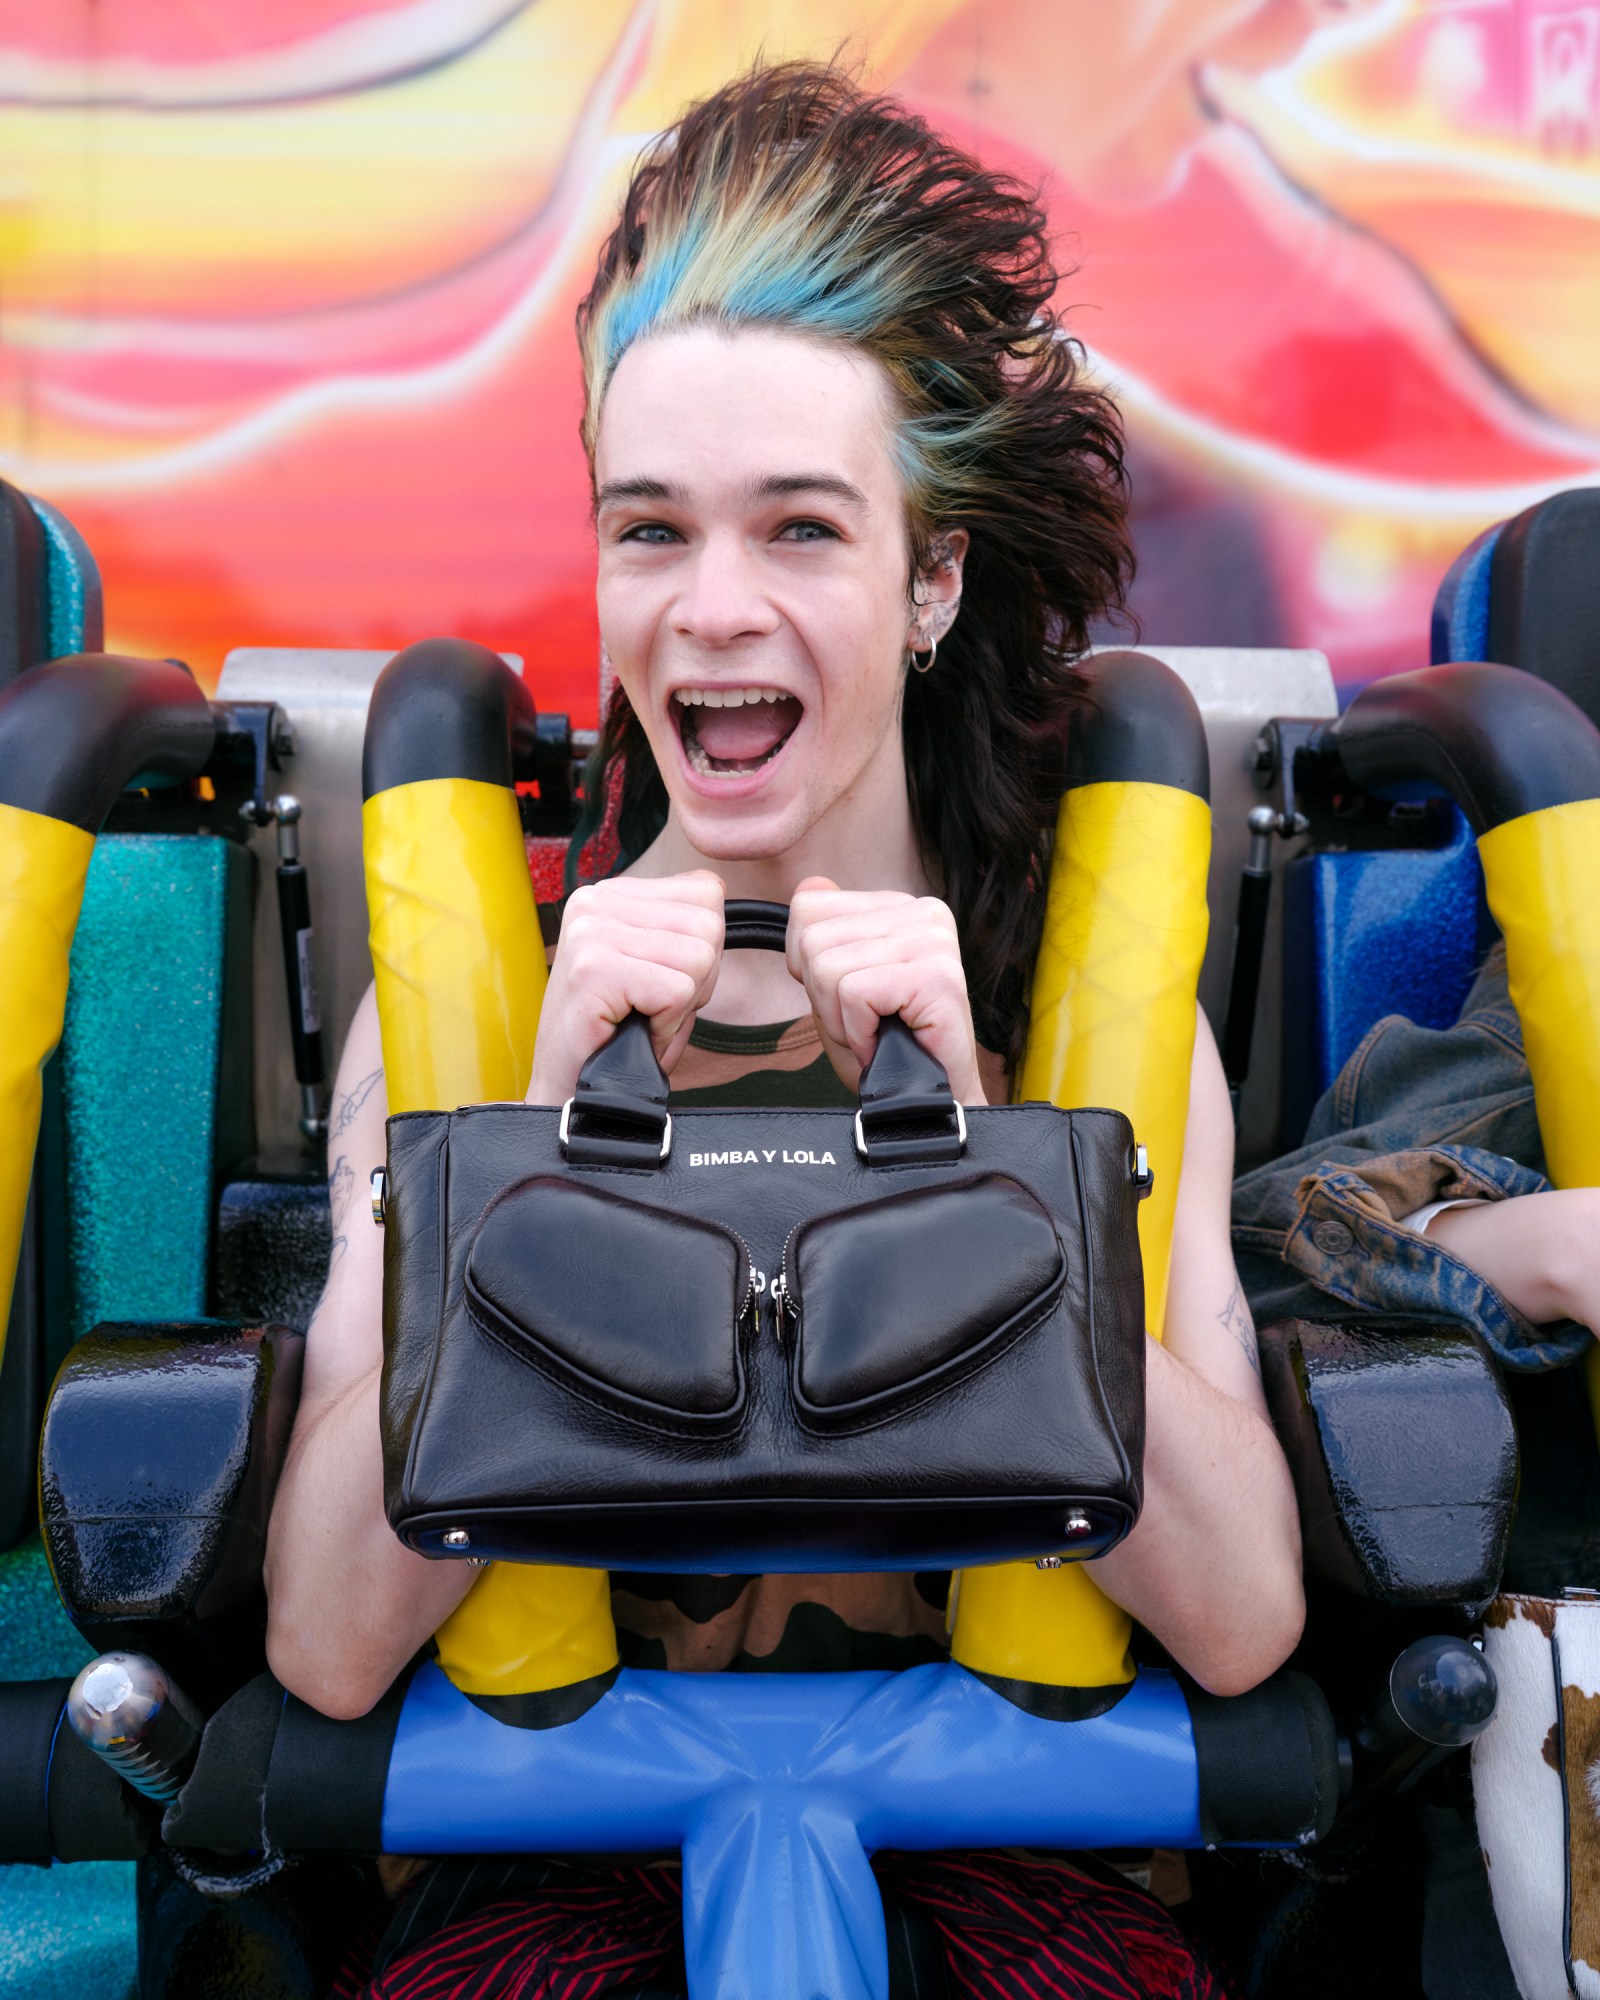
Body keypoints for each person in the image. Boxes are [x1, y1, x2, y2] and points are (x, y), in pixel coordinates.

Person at [266, 61, 1305, 1998]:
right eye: (649, 531)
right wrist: (521, 1161)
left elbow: (1240, 1619)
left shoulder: (1080, 1016)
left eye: (799, 532)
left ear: (928, 578)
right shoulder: (474, 1016)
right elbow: (328, 1641)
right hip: (560, 1866)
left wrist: (1000, 1176)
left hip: (1005, 1859)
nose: (709, 611)